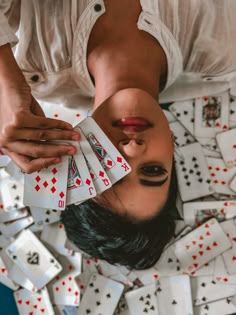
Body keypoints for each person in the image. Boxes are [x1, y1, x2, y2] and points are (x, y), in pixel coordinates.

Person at [0, 0, 236, 269]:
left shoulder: (26, 63)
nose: (133, 148)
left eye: (109, 169)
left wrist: (4, 75)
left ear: (77, 163)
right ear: (173, 147)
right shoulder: (224, 56)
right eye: (153, 170)